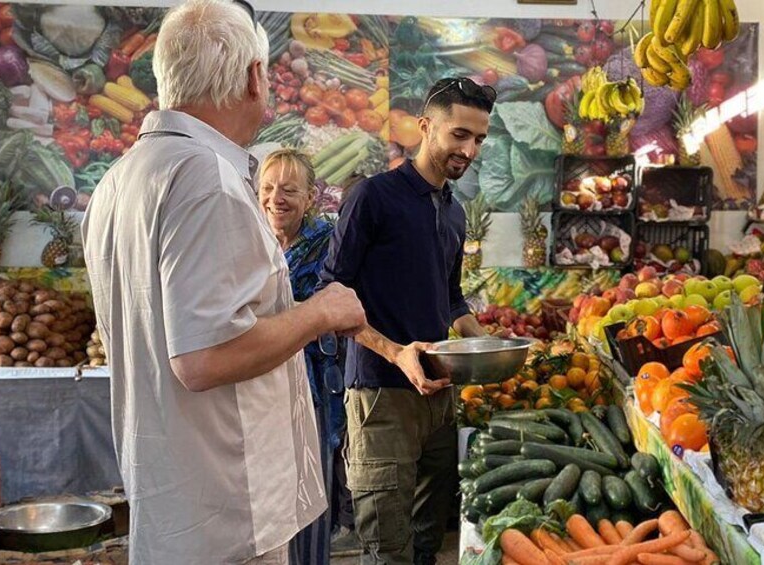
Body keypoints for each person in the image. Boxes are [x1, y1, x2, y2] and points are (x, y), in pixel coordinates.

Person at [81, 1, 366, 563]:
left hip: (177, 500)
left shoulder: (120, 178)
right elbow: (205, 357)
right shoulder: (203, 178)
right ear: (254, 77)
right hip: (229, 512)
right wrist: (320, 313)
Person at [320, 77, 496, 565]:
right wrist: (396, 352)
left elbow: (452, 298)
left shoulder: (454, 212)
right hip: (380, 397)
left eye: (479, 138)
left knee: (427, 543)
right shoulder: (373, 198)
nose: (470, 149)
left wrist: (490, 348)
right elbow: (332, 296)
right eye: (459, 134)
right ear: (425, 126)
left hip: (438, 399)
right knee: (388, 549)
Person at [257, 148, 344, 565]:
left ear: (310, 197)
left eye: (289, 190)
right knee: (268, 500)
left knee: (310, 496)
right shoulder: (251, 241)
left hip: (311, 388)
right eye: (269, 188)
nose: (277, 198)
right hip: (259, 385)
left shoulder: (328, 243)